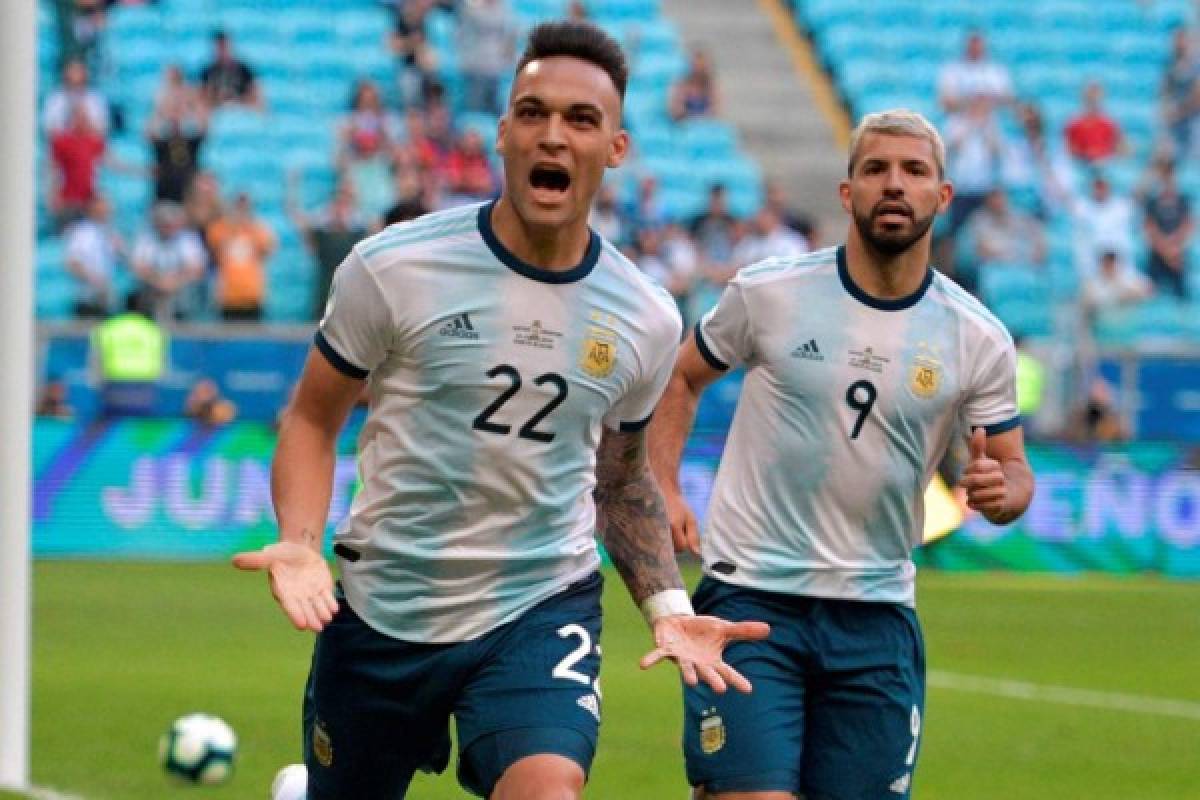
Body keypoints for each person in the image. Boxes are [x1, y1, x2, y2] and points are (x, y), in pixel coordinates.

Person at [232, 21, 768, 800]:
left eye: (581, 120)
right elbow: (313, 418)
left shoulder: (645, 317)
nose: (554, 136)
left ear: (615, 148)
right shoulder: (394, 267)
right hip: (387, 610)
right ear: (503, 134)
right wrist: (300, 543)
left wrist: (667, 604)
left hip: (539, 607)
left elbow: (619, 482)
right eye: (533, 113)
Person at [649, 109, 1035, 800]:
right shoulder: (769, 291)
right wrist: (665, 488)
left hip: (876, 612)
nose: (894, 184)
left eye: (914, 171)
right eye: (875, 169)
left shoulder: (977, 336)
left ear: (942, 197)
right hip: (752, 595)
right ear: (846, 191)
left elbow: (1013, 470)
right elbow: (681, 377)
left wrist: (1003, 490)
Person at [91, 292, 168, 418]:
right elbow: (162, 366)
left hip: (114, 388)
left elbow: (97, 363)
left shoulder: (109, 328)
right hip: (145, 390)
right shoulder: (154, 330)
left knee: (112, 427)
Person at [199, 30, 262, 110]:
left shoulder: (244, 70)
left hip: (242, 112)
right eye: (219, 47)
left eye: (225, 46)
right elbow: (202, 97)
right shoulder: (207, 72)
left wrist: (237, 101)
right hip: (216, 112)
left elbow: (256, 96)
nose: (222, 50)